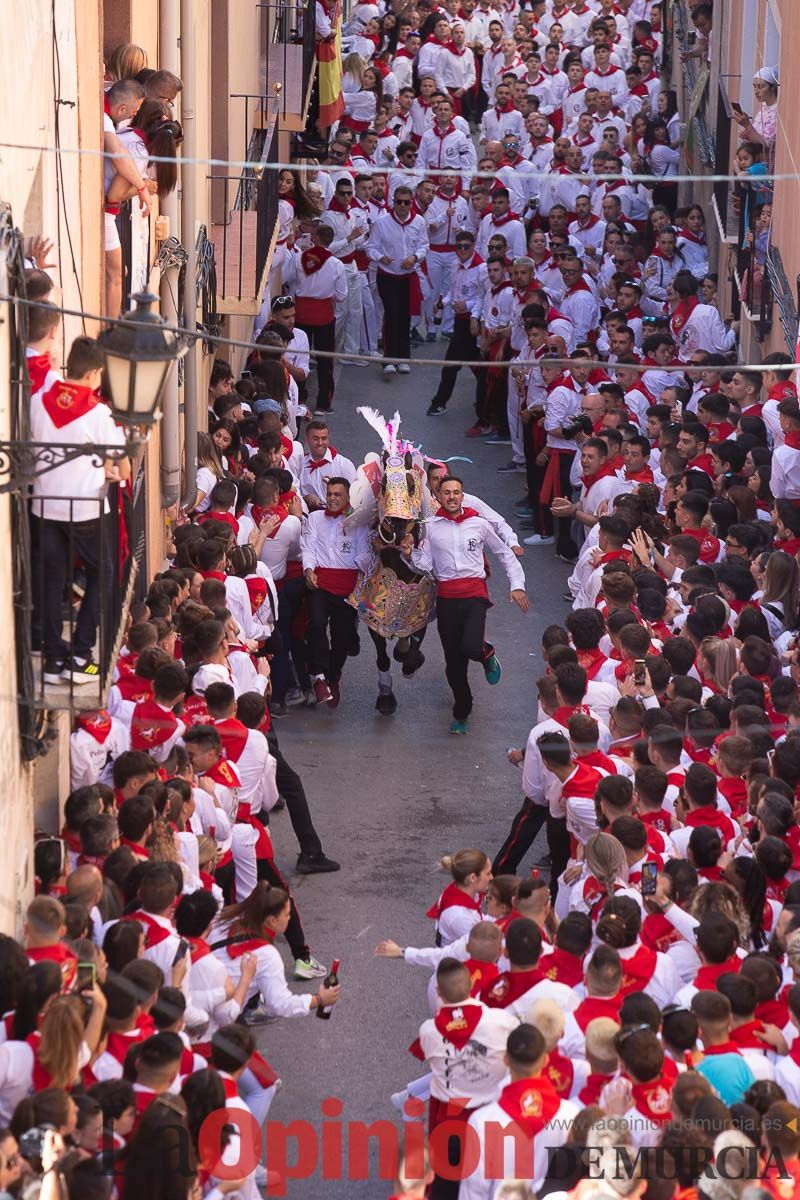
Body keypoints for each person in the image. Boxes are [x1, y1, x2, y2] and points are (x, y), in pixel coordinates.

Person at [31, 337, 129, 685]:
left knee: (52, 579)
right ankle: (81, 653)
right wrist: (107, 465)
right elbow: (121, 464)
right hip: (85, 509)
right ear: (95, 372)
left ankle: (54, 658)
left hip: (44, 505)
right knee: (103, 574)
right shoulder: (99, 413)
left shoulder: (39, 400)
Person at [403, 477, 529, 734]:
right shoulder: (430, 527)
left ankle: (486, 654)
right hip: (447, 598)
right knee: (454, 664)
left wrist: (517, 585)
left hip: (474, 595)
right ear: (438, 496)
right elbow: (425, 565)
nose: (452, 497)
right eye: (446, 493)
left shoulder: (479, 524)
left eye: (456, 493)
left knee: (471, 647)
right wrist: (409, 555)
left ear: (463, 496)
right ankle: (462, 709)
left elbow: (504, 554)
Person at [300, 476, 371, 707]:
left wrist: (366, 566)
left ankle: (333, 676)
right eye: (329, 494)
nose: (332, 499)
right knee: (317, 625)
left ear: (348, 497)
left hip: (347, 588)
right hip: (320, 583)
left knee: (342, 638)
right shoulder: (314, 518)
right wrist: (308, 570)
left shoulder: (358, 522)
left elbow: (363, 555)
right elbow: (308, 548)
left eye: (337, 495)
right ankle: (319, 677)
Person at [367, 185, 430, 377]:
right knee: (391, 314)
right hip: (387, 275)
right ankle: (389, 358)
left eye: (407, 202)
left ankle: (403, 358)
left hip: (407, 276)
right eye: (399, 202)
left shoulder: (419, 222)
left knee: (405, 316)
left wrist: (415, 257)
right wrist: (380, 258)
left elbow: (424, 245)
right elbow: (371, 247)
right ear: (393, 202)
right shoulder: (381, 223)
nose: (403, 206)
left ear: (412, 202)